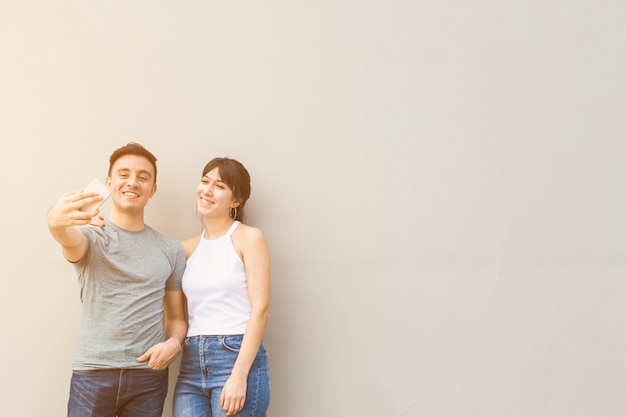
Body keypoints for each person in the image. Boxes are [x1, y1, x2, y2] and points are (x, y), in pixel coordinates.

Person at [46, 142, 188, 417]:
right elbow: (67, 238)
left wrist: (173, 344)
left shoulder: (171, 249)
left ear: (153, 189)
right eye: (123, 175)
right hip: (93, 374)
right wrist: (55, 221)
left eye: (143, 177)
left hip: (149, 376)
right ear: (109, 183)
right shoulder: (90, 235)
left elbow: (176, 318)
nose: (132, 182)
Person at [173, 157, 271, 417]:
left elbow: (260, 310)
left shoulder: (248, 238)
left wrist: (239, 376)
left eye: (219, 186)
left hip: (235, 356)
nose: (207, 190)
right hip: (191, 364)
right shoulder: (185, 249)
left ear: (236, 200)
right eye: (205, 181)